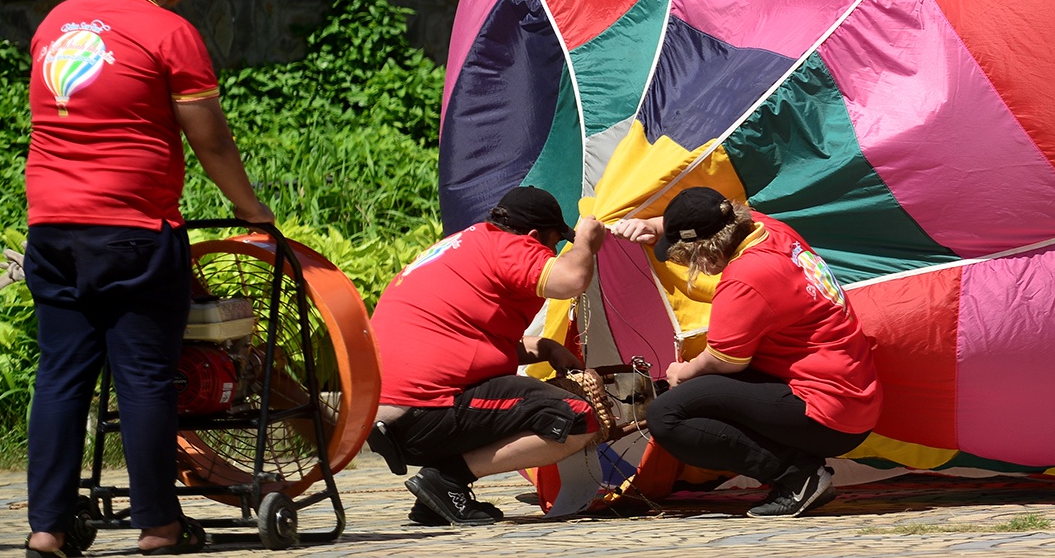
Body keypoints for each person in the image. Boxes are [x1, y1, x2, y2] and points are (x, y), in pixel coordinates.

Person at [24, 0, 274, 558]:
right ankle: (159, 525)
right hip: (132, 230)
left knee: (60, 376)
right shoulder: (168, 31)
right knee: (143, 376)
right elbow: (211, 141)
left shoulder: (54, 23)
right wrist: (252, 209)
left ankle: (46, 527)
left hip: (51, 229)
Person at [613, 188, 880, 519]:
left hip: (827, 412)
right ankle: (797, 469)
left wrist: (684, 371)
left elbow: (723, 361)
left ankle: (796, 478)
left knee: (667, 415)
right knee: (691, 396)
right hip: (849, 396)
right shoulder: (766, 229)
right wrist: (657, 227)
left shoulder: (746, 278)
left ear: (704, 251)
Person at [367, 186, 609, 526]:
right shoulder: (511, 246)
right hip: (423, 410)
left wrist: (542, 347)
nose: (553, 252)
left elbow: (461, 338)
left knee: (511, 396)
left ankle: (438, 498)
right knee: (576, 419)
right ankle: (447, 479)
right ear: (534, 235)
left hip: (387, 417)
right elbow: (571, 279)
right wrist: (585, 241)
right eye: (555, 243)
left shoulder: (466, 243)